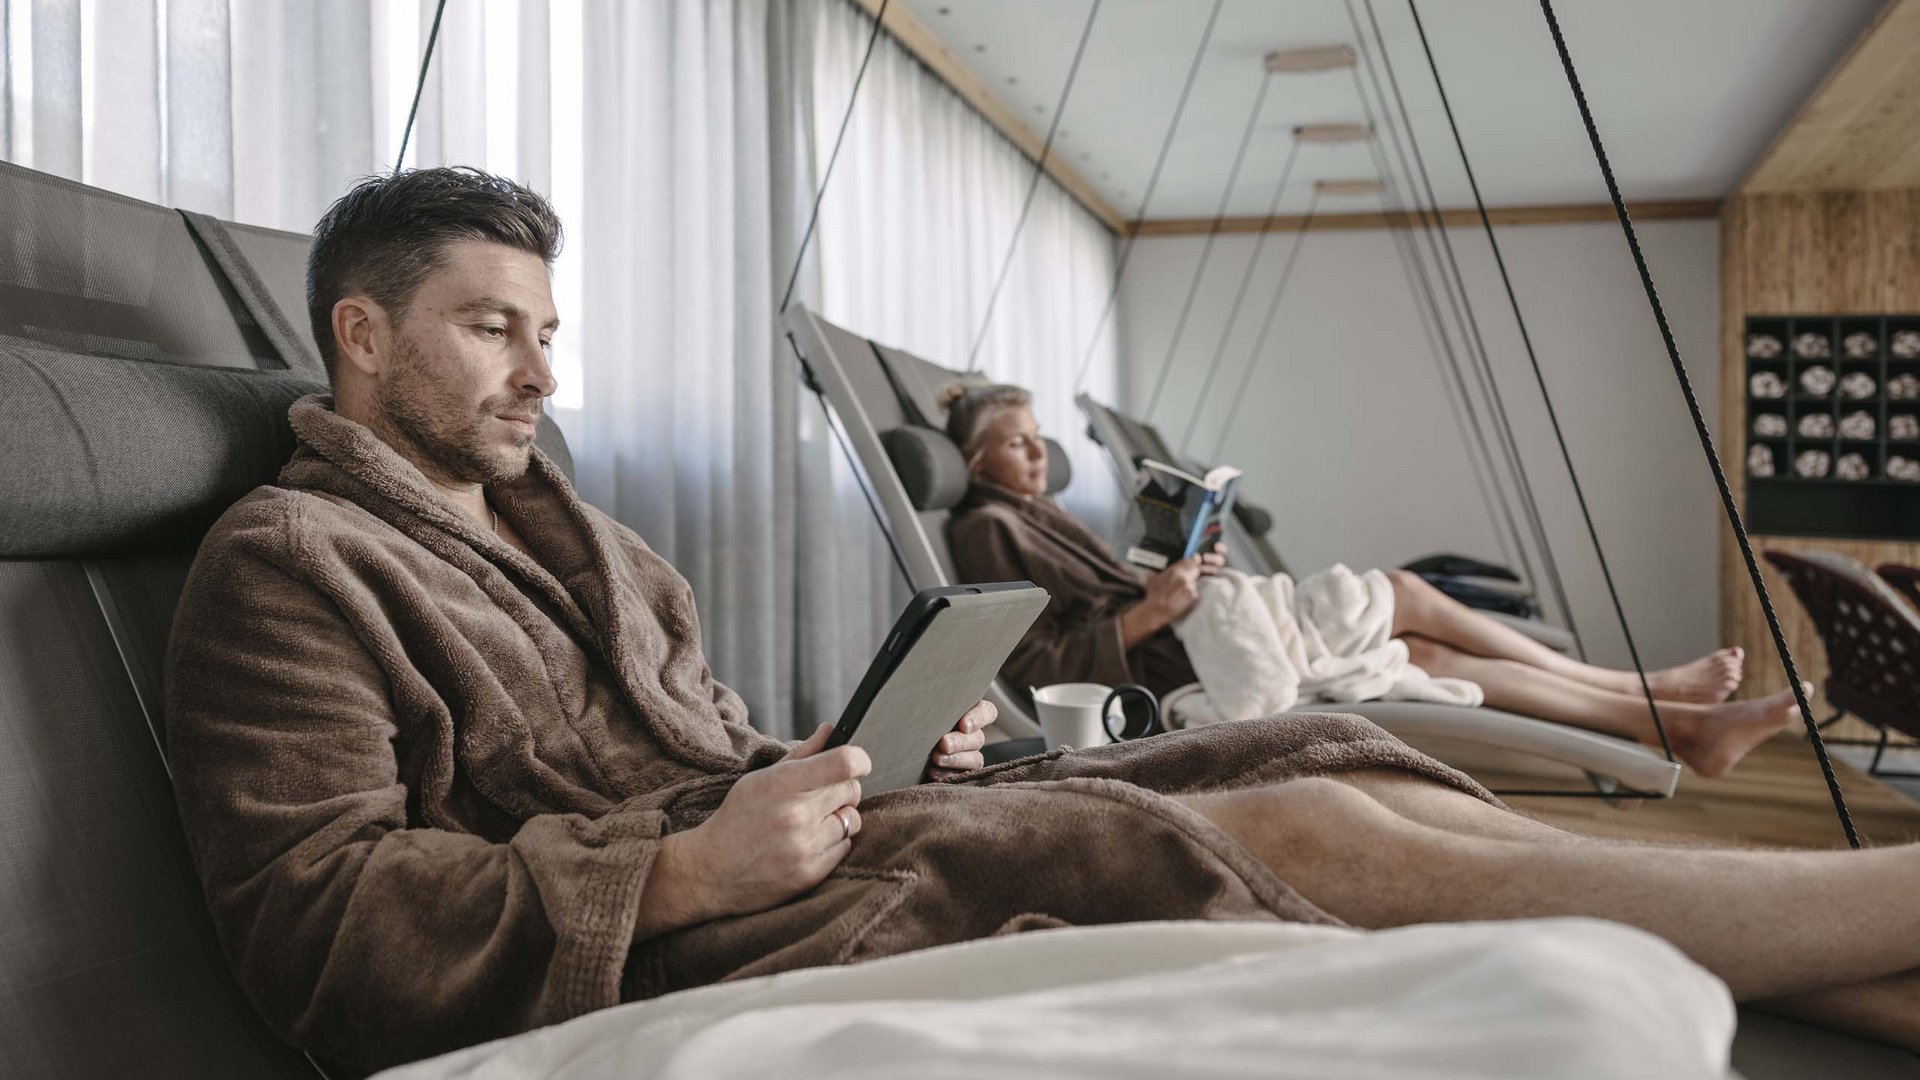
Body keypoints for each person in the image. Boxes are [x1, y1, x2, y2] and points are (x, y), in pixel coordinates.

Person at [168, 168, 1920, 1072]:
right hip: (661, 952)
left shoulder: (601, 547)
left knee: (1323, 753)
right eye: (492, 329)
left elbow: (699, 748)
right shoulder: (293, 565)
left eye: (547, 332)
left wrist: (835, 757)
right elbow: (318, 926)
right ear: (361, 337)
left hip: (772, 866)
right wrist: (688, 874)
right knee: (1282, 828)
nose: (542, 372)